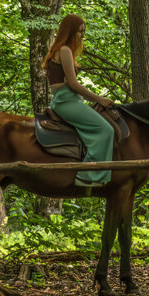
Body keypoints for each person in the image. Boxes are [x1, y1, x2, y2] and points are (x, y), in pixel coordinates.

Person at [43, 14, 115, 187]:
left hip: (65, 101)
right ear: (69, 32)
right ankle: (88, 175)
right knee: (106, 130)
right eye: (79, 31)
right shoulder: (65, 50)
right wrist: (100, 99)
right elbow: (73, 85)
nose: (82, 35)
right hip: (67, 102)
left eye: (84, 31)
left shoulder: (58, 50)